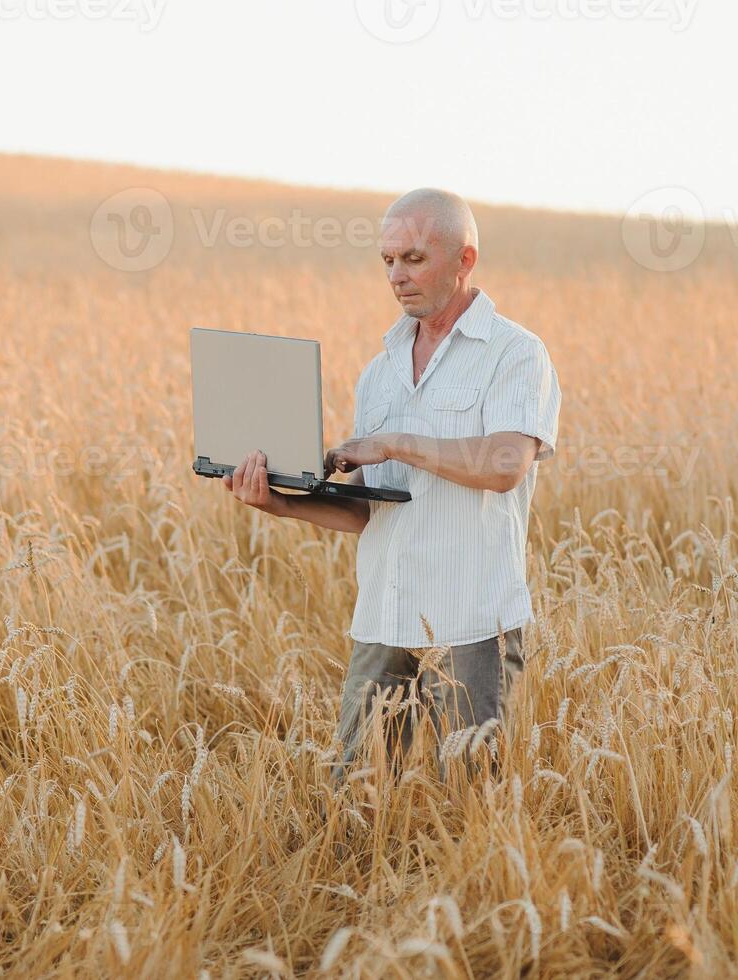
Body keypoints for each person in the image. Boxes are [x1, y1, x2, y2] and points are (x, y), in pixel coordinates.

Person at [221, 188, 561, 783]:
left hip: (471, 624)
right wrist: (277, 501)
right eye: (387, 261)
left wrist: (395, 441)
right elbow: (369, 512)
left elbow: (506, 465)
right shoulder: (379, 372)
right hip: (384, 617)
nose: (396, 276)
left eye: (413, 258)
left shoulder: (515, 353)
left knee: (472, 799)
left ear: (464, 259)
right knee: (355, 798)